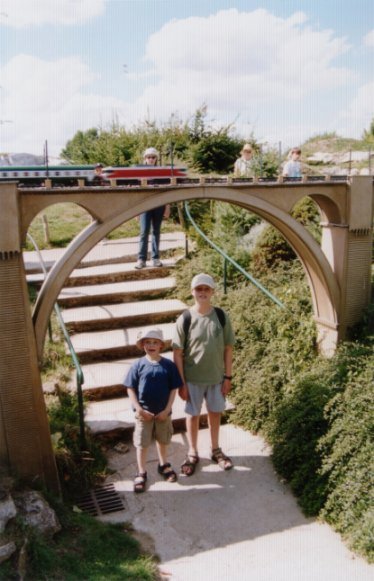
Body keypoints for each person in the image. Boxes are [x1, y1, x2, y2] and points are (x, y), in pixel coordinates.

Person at [172, 273, 235, 476]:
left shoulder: (221, 316)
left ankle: (216, 449)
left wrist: (228, 377)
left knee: (215, 412)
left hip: (216, 378)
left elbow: (228, 349)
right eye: (198, 289)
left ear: (212, 292)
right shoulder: (186, 319)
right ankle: (192, 452)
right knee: (192, 414)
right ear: (192, 292)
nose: (202, 292)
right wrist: (181, 382)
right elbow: (178, 353)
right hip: (192, 379)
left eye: (206, 289)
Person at [124, 328, 183, 493]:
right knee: (142, 444)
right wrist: (139, 409)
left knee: (163, 440)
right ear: (143, 345)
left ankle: (163, 465)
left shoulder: (169, 366)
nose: (151, 345)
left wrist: (167, 409)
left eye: (155, 342)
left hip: (163, 414)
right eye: (147, 342)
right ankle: (141, 472)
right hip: (143, 415)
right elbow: (130, 388)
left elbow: (173, 389)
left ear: (161, 345)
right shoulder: (137, 365)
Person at [135, 147, 170, 269]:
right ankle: (141, 259)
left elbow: (166, 190)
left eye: (153, 157)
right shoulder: (139, 171)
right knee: (144, 232)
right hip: (144, 206)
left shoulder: (161, 172)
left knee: (156, 231)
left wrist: (167, 206)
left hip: (158, 205)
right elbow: (136, 192)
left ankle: (155, 257)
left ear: (156, 159)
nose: (151, 159)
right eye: (148, 157)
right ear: (145, 158)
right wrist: (136, 211)